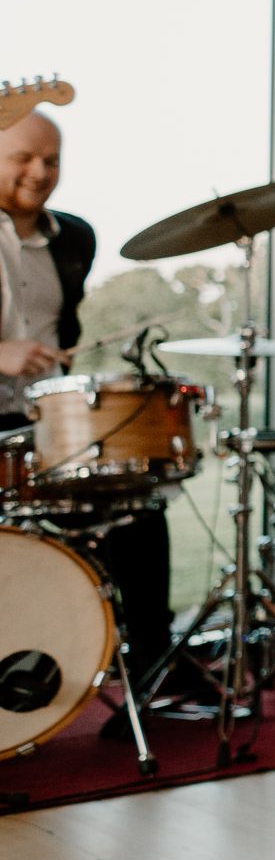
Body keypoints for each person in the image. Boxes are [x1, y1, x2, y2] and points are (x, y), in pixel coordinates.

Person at [0, 109, 177, 666]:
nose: (40, 172)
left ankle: (152, 670)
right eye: (23, 158)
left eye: (51, 160)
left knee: (135, 509)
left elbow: (65, 329)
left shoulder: (75, 237)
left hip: (45, 428)